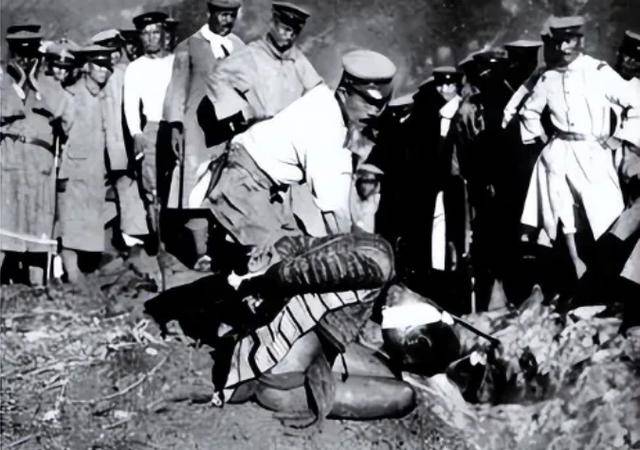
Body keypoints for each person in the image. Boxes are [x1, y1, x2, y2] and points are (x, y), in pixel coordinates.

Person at [198, 49, 396, 248]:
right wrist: (354, 252)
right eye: (369, 102)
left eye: (382, 104)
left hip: (256, 184)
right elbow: (336, 213)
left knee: (298, 249)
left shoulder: (323, 99)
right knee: (283, 260)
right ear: (344, 93)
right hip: (242, 187)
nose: (376, 112)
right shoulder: (328, 128)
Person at [519, 16, 640, 279]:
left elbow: (635, 107)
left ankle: (609, 280)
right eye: (558, 42)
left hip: (601, 156)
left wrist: (620, 139)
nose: (564, 48)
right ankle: (575, 277)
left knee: (608, 217)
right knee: (565, 218)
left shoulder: (602, 74)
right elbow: (529, 111)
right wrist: (543, 140)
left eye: (569, 41)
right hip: (564, 154)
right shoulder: (553, 77)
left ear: (580, 41)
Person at [163, 0, 245, 268]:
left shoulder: (239, 47)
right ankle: (201, 253)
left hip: (231, 131)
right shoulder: (188, 46)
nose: (227, 20)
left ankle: (227, 251)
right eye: (223, 14)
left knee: (228, 187)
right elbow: (176, 90)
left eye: (232, 15)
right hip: (197, 131)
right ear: (210, 13)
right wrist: (176, 126)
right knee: (197, 189)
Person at [0, 27, 71, 285]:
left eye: (30, 54)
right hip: (9, 165)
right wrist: (18, 87)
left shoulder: (49, 85)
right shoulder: (3, 82)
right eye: (19, 54)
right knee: (5, 228)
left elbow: (64, 114)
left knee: (38, 233)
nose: (25, 61)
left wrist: (37, 85)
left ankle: (38, 290)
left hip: (40, 169)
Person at [57, 46, 120, 283]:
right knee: (71, 222)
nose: (104, 70)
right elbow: (62, 128)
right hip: (75, 170)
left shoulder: (106, 95)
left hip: (98, 170)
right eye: (98, 65)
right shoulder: (71, 95)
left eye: (107, 65)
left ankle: (87, 273)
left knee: (93, 222)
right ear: (86, 67)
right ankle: (72, 274)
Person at [124, 12, 175, 215]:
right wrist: (136, 133)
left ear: (164, 34)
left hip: (177, 128)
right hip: (152, 130)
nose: (151, 38)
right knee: (153, 187)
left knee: (177, 184)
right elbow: (130, 104)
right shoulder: (135, 68)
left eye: (155, 32)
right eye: (145, 33)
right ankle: (157, 232)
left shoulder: (176, 62)